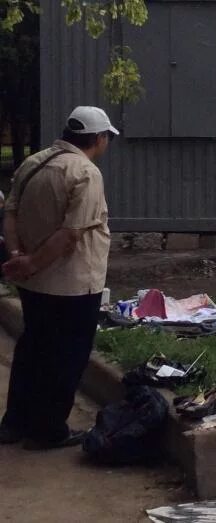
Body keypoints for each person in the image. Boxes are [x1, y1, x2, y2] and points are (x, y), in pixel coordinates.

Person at [0, 106, 116, 448]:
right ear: (97, 138)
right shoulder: (85, 172)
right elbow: (70, 234)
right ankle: (48, 429)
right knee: (67, 356)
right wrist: (32, 262)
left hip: (34, 283)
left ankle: (15, 422)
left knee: (32, 348)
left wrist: (18, 256)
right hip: (74, 284)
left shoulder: (34, 162)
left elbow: (11, 214)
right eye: (106, 137)